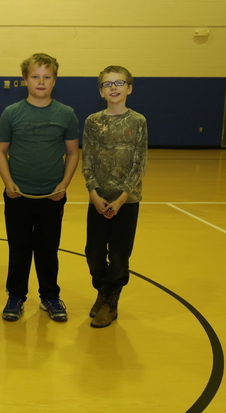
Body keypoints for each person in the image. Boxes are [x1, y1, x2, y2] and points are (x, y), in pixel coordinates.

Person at [0, 53, 79, 323]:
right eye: (35, 76)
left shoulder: (66, 114)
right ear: (25, 80)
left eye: (47, 77)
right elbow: (0, 151)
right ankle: (16, 296)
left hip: (51, 197)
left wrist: (64, 184)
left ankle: (50, 296)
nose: (41, 82)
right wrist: (8, 182)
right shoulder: (11, 113)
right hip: (18, 196)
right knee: (18, 248)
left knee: (48, 249)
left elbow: (73, 153)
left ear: (54, 81)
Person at [82, 65, 148, 328]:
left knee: (119, 256)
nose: (114, 88)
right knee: (94, 254)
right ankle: (102, 290)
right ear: (101, 91)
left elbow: (140, 163)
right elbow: (87, 159)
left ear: (129, 88)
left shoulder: (138, 121)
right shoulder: (93, 121)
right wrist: (93, 193)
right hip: (98, 200)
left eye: (119, 83)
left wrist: (121, 199)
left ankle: (110, 302)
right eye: (108, 84)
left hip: (126, 202)